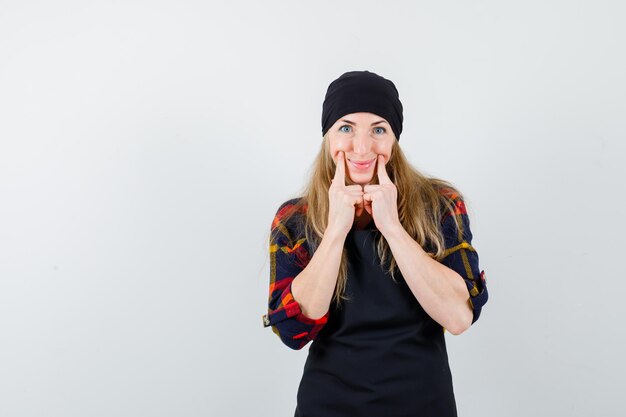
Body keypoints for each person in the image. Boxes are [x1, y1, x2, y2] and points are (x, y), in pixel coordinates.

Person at [261, 70, 489, 417]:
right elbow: (293, 331)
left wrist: (393, 228)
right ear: (328, 136)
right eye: (346, 128)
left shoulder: (441, 204)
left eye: (379, 130)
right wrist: (336, 229)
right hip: (328, 406)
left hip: (423, 405)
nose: (362, 147)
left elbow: (458, 317)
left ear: (394, 138)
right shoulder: (295, 219)